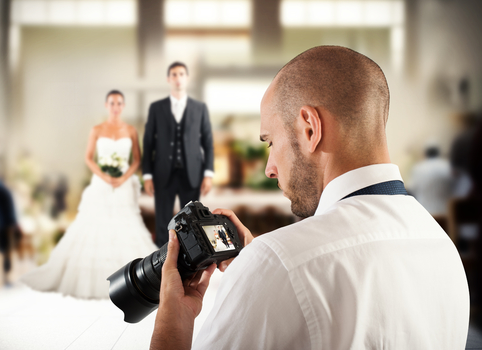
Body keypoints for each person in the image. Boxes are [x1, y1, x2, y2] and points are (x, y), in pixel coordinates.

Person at [150, 46, 470, 349]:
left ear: (310, 129)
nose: (269, 168)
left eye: (270, 142)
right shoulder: (444, 248)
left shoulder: (277, 265)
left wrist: (174, 322)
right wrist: (258, 268)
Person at [21, 90, 157, 299]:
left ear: (123, 106)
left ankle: (132, 278)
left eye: (119, 103)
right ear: (106, 105)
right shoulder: (97, 129)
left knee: (124, 225)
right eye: (112, 103)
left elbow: (137, 160)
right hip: (102, 183)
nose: (115, 107)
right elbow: (88, 158)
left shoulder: (130, 130)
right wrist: (104, 175)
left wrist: (122, 177)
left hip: (122, 184)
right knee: (94, 224)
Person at [142, 62, 214, 248]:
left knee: (191, 219)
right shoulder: (156, 108)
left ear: (187, 78)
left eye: (181, 74)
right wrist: (147, 175)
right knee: (163, 221)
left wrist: (208, 173)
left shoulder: (200, 108)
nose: (177, 78)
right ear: (168, 79)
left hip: (192, 173)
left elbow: (207, 142)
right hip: (162, 173)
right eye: (173, 74)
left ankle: (190, 258)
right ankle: (161, 262)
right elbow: (148, 142)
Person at [410, 145, 454, 216]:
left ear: (426, 154)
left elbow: (412, 189)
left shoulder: (418, 168)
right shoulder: (446, 166)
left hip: (425, 211)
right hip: (445, 212)